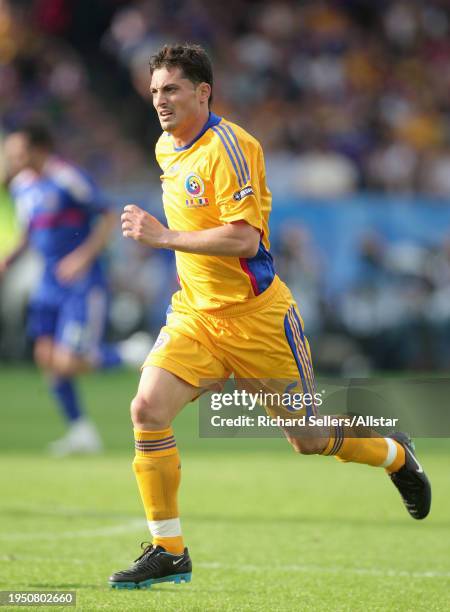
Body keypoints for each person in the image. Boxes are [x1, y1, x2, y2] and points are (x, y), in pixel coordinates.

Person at [109, 44, 431, 590]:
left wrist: (162, 236)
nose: (160, 101)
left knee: (306, 439)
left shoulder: (234, 147)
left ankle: (396, 454)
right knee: (147, 408)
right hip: (196, 318)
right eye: (155, 90)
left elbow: (242, 237)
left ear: (202, 92)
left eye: (172, 89)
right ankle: (169, 551)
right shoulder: (167, 146)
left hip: (259, 320)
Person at [1, 122, 145, 455]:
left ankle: (128, 353)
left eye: (18, 152)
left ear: (39, 150)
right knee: (45, 357)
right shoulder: (22, 187)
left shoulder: (67, 179)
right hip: (48, 282)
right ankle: (81, 431)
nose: (13, 158)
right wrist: (10, 257)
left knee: (67, 362)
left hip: (81, 282)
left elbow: (107, 216)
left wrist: (82, 257)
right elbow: (29, 230)